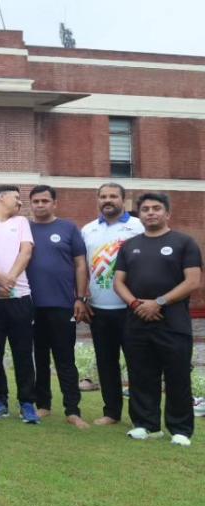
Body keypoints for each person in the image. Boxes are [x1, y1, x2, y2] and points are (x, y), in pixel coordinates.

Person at [113, 192, 201, 446]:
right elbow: (119, 282)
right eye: (145, 209)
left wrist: (159, 302)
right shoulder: (129, 245)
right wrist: (135, 303)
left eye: (156, 208)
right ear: (139, 215)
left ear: (167, 213)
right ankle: (146, 425)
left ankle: (180, 429)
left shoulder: (184, 242)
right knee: (141, 375)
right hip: (137, 320)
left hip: (173, 322)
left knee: (177, 376)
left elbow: (193, 280)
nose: (150, 212)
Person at [27, 185, 91, 429]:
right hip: (32, 306)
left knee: (65, 359)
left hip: (63, 305)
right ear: (31, 204)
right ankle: (43, 404)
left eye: (45, 201)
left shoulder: (68, 228)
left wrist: (80, 298)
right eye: (36, 201)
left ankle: (73, 410)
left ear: (55, 203)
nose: (40, 205)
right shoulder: (26, 230)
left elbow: (80, 265)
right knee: (39, 358)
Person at [81, 182, 144, 425]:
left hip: (131, 308)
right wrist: (82, 298)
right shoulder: (88, 230)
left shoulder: (137, 227)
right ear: (97, 200)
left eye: (113, 196)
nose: (108, 200)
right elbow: (83, 268)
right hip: (99, 309)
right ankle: (111, 413)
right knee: (106, 364)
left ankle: (141, 417)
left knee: (137, 364)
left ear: (123, 200)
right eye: (103, 196)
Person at [0, 185, 39, 424]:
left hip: (19, 297)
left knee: (23, 351)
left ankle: (27, 403)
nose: (20, 203)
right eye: (16, 198)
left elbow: (25, 252)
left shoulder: (21, 222)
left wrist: (10, 280)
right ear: (1, 198)